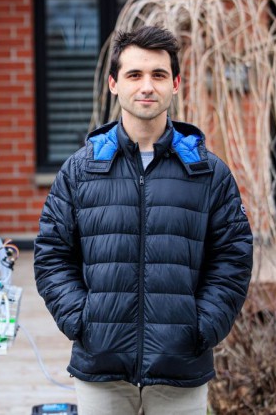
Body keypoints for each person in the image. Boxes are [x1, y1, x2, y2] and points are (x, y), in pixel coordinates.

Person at [34, 25, 253, 414]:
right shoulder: (80, 171)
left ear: (176, 84)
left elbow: (233, 259)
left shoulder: (207, 173)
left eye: (158, 75)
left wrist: (201, 328)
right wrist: (82, 323)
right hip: (101, 368)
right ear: (114, 83)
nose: (147, 86)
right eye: (135, 75)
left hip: (179, 366)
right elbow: (51, 255)